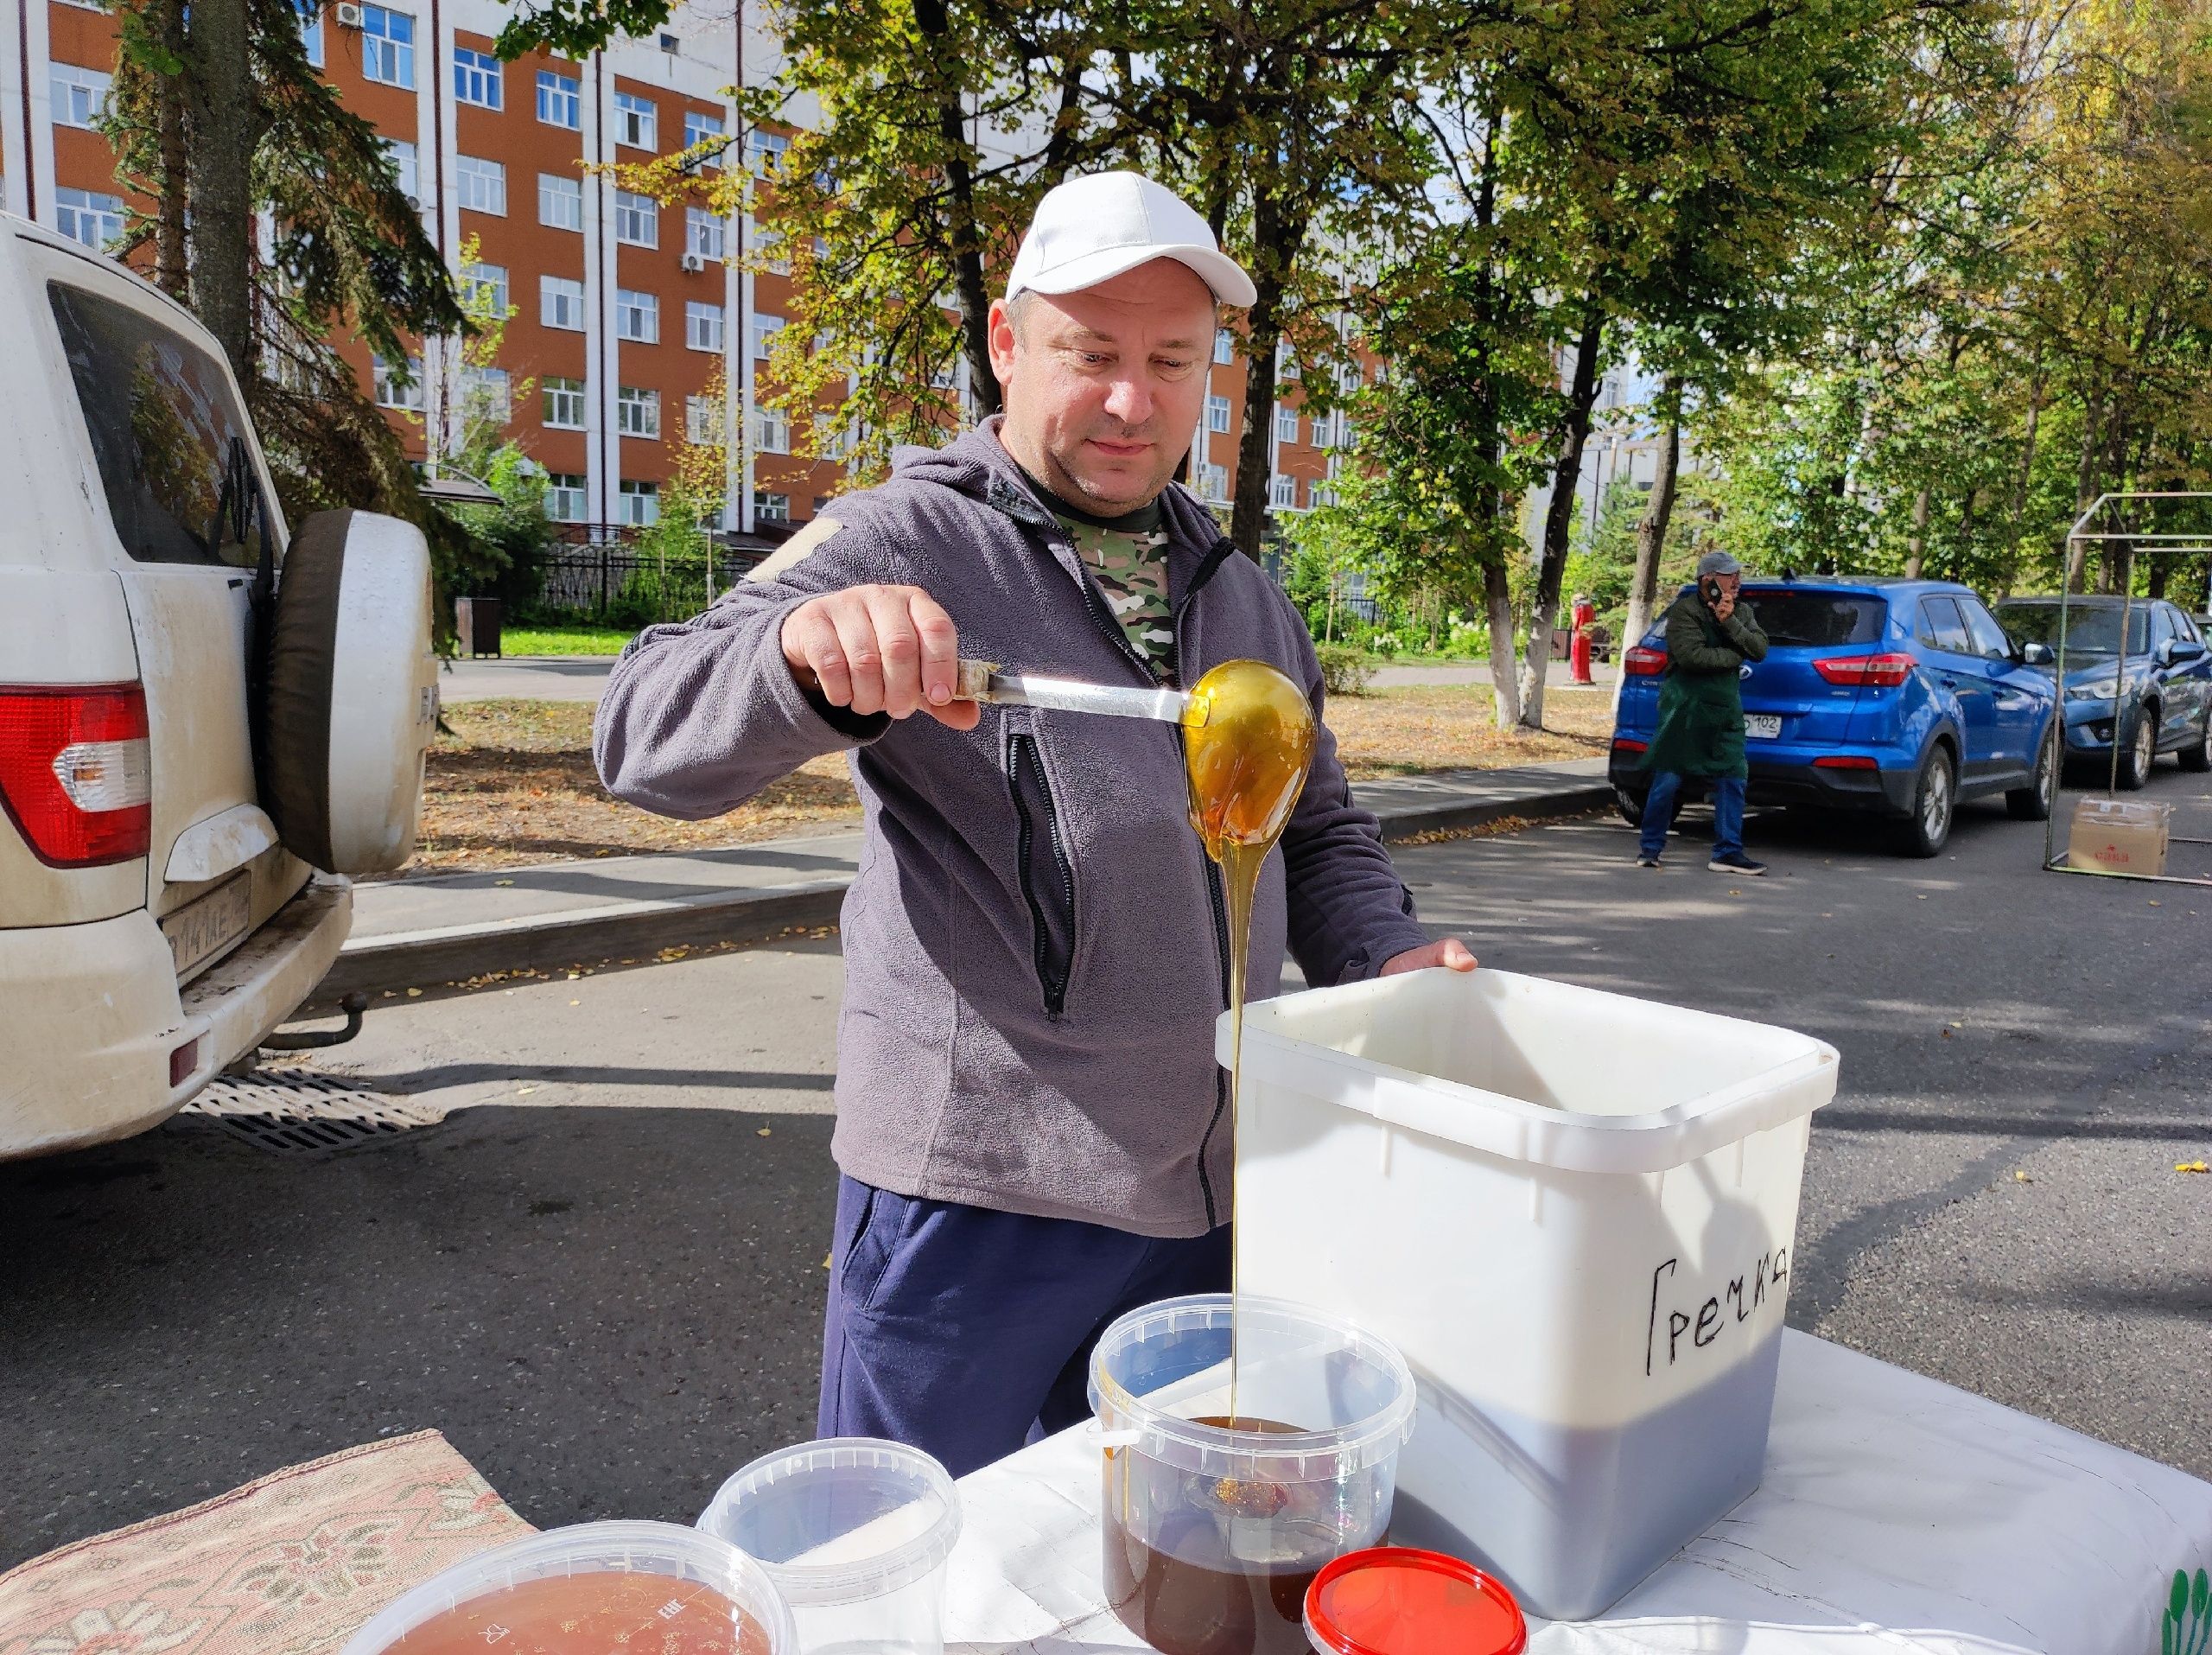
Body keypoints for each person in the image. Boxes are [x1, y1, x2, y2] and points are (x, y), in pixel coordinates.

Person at [592, 170, 1477, 1479]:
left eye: (1171, 360)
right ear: (1009, 345)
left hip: (1204, 1196)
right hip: (974, 1204)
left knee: (1137, 1540)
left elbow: (1318, 825)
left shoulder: (1247, 598)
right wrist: (799, 649)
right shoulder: (900, 536)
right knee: (911, 1548)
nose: (1133, 400)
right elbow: (641, 730)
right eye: (1091, 353)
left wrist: (1385, 959)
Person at [1636, 551, 1770, 874]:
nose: (1737, 581)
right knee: (1668, 778)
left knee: (1733, 776)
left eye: (1738, 574)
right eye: (1729, 575)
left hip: (1725, 711)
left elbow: (1760, 649)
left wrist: (1730, 622)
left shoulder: (1741, 612)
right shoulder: (1684, 612)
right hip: (1685, 709)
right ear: (1708, 580)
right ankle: (1650, 847)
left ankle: (1727, 852)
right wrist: (1736, 657)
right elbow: (1693, 657)